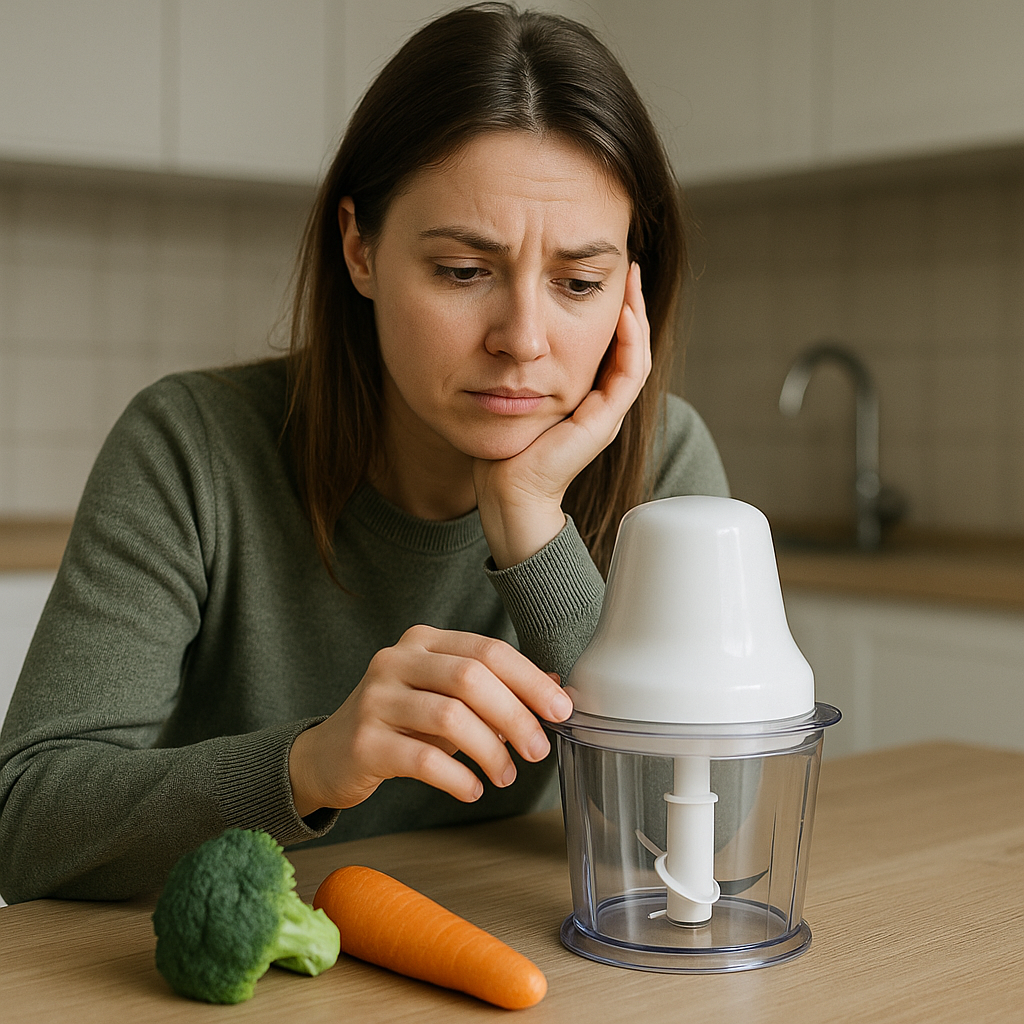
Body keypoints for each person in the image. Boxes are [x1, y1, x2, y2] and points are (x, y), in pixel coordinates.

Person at [0, 2, 727, 903]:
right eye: (464, 272)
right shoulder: (190, 448)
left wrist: (535, 529)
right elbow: (28, 820)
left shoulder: (664, 464)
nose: (524, 339)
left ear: (631, 286)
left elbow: (712, 818)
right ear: (361, 248)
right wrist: (308, 763)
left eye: (580, 282)